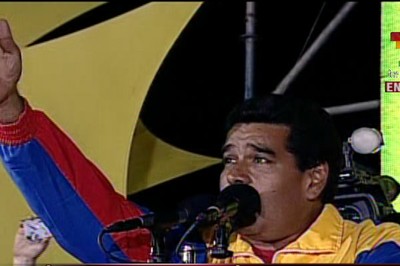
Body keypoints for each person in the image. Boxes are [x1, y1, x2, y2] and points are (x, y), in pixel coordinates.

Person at [1, 18, 400, 264]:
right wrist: (8, 111)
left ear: (313, 179)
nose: (235, 175)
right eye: (229, 160)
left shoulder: (374, 248)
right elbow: (106, 234)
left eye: (260, 160)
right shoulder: (201, 250)